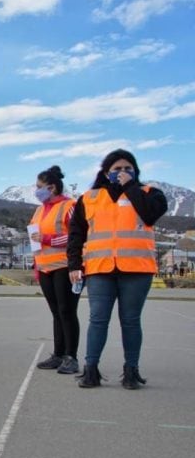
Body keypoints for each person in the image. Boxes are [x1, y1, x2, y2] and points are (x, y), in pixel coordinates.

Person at [68, 149, 167, 389]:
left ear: (135, 172)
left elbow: (151, 215)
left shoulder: (149, 194)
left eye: (128, 168)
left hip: (136, 269)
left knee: (131, 320)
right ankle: (91, 370)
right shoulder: (89, 198)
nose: (122, 172)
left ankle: (131, 370)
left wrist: (130, 186)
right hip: (100, 268)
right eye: (117, 169)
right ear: (105, 172)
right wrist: (74, 264)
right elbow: (76, 234)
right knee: (98, 318)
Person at [30, 166, 81, 375]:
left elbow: (76, 236)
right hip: (45, 267)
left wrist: (47, 239)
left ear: (51, 187)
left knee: (66, 311)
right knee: (56, 313)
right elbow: (34, 237)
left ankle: (71, 356)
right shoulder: (40, 210)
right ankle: (58, 354)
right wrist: (36, 265)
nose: (36, 190)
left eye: (39, 187)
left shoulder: (70, 206)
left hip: (64, 266)